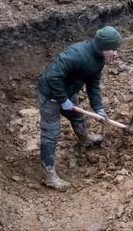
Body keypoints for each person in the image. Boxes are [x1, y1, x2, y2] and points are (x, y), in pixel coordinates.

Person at [37, 26, 123, 191]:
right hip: (50, 95)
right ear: (103, 46)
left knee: (78, 117)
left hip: (68, 92)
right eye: (113, 49)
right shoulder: (76, 55)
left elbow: (93, 86)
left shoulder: (98, 60)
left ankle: (85, 139)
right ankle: (49, 175)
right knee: (51, 132)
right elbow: (52, 76)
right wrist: (62, 100)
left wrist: (99, 109)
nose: (116, 53)